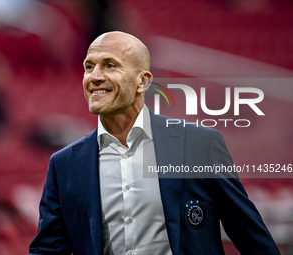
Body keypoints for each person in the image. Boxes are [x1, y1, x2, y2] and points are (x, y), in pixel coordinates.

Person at [29, 31, 280, 255]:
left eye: (109, 65)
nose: (94, 77)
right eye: (88, 66)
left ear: (143, 81)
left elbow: (250, 236)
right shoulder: (64, 165)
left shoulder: (198, 145)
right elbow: (48, 249)